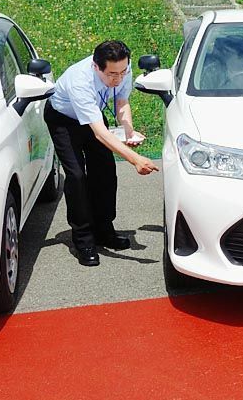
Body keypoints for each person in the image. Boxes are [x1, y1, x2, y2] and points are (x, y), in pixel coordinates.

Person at [45, 39, 159, 266]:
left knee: (106, 171)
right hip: (64, 119)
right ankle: (83, 239)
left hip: (93, 114)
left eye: (122, 72)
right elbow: (99, 133)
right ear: (96, 67)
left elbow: (122, 102)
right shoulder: (80, 80)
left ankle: (104, 229)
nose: (117, 78)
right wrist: (135, 159)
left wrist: (128, 131)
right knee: (77, 176)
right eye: (111, 74)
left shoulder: (122, 68)